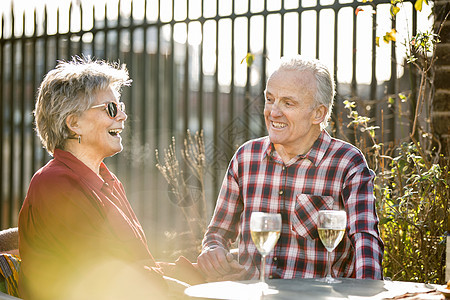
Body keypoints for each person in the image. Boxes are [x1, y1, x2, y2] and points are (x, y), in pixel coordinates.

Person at [18, 57, 204, 300]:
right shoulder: (54, 183)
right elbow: (104, 274)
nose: (123, 116)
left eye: (121, 106)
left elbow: (135, 265)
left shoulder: (107, 182)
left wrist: (202, 274)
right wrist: (182, 287)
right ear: (74, 123)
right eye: (111, 109)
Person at [197, 55, 384, 281]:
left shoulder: (347, 163)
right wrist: (212, 252)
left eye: (288, 103)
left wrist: (368, 293)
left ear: (318, 114)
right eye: (270, 99)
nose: (273, 112)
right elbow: (217, 234)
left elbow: (366, 239)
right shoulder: (245, 158)